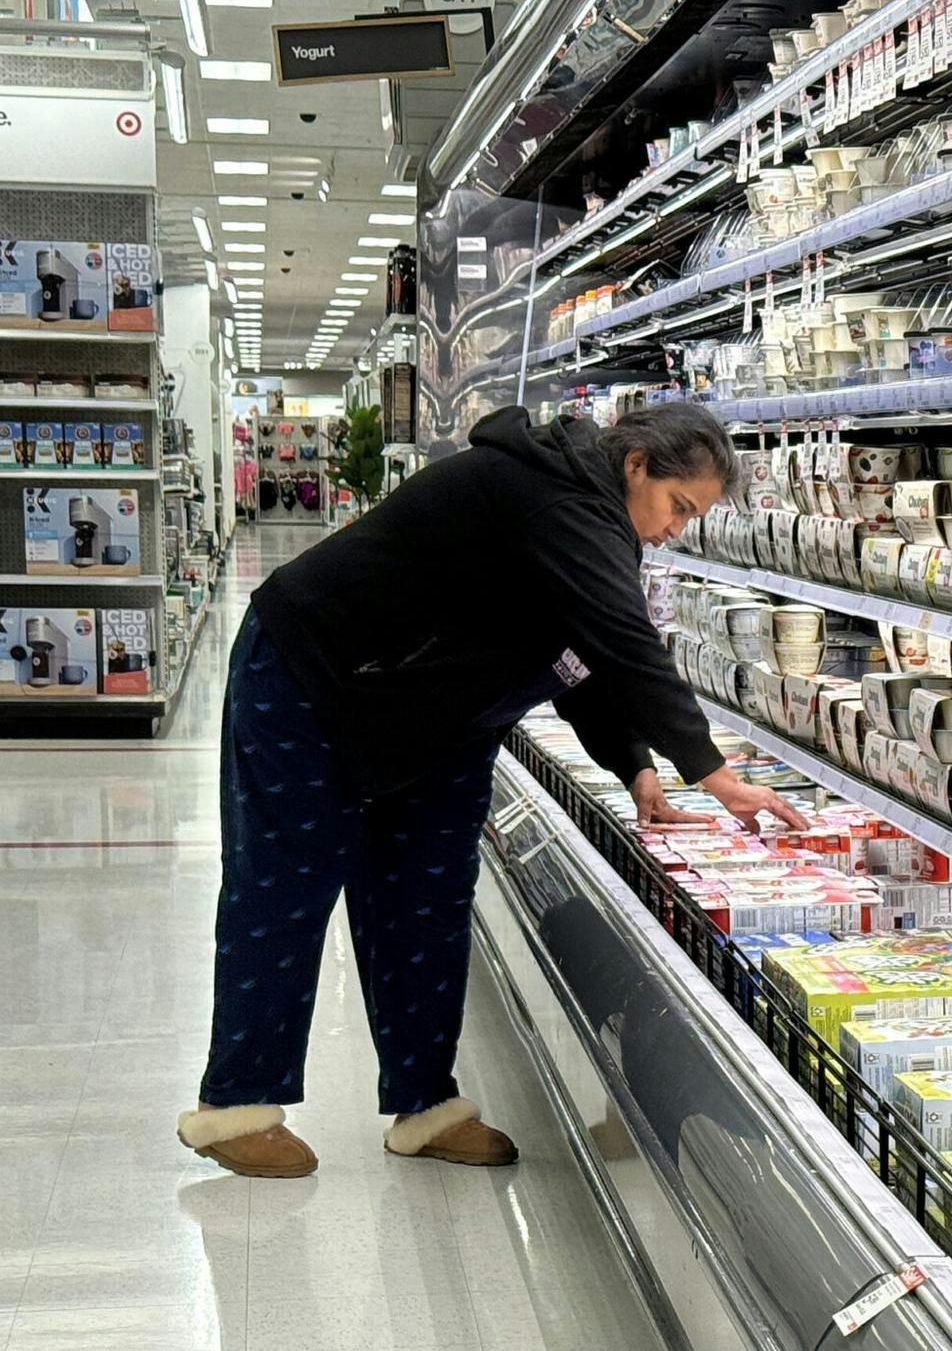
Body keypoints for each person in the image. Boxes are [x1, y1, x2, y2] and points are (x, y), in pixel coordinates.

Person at [175, 402, 806, 1178]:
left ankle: (425, 1103)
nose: (677, 528)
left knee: (427, 898)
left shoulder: (595, 521)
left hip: (435, 713)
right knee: (287, 885)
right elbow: (624, 639)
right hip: (316, 674)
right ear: (636, 463)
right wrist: (712, 771)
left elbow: (582, 655)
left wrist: (634, 765)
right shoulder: (555, 495)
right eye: (679, 507)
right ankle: (235, 1106)